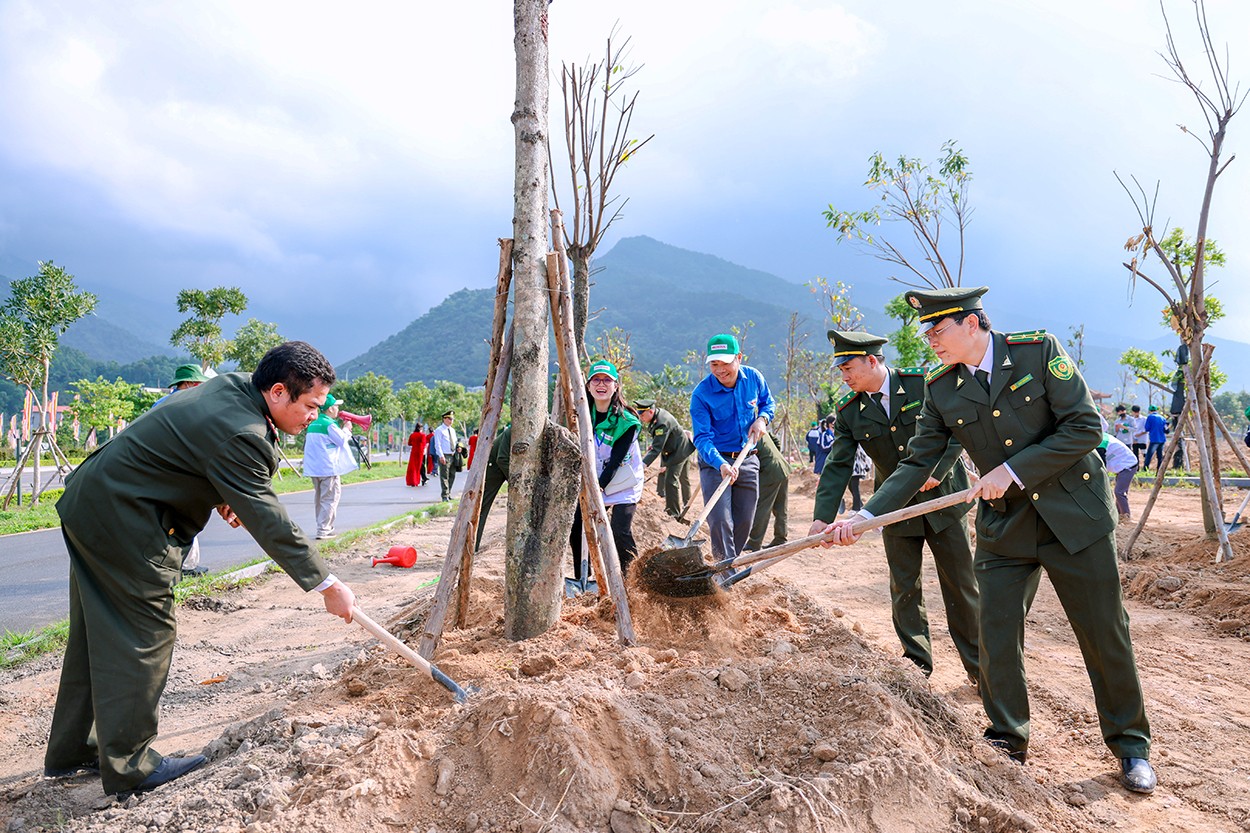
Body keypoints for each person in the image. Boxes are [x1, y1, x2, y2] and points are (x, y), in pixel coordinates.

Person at [822, 287, 1155, 795]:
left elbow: (1085, 427)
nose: (929, 340)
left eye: (938, 330)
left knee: (1103, 633)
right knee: (994, 632)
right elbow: (917, 461)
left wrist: (1013, 469)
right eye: (926, 332)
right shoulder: (942, 388)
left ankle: (1131, 745)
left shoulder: (1036, 352)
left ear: (972, 323)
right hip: (1005, 526)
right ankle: (1007, 738)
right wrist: (867, 513)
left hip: (1075, 518)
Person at [45, 341, 356, 798]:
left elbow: (191, 452)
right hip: (124, 520)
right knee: (144, 635)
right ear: (276, 392)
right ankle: (130, 765)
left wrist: (219, 490)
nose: (314, 415)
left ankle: (75, 748)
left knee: (96, 632)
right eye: (310, 405)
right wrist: (326, 583)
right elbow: (270, 520)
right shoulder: (244, 433)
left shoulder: (230, 388)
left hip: (95, 503)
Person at [812, 330, 980, 685]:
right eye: (840, 370)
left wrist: (936, 470)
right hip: (892, 508)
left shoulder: (923, 384)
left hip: (942, 501)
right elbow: (838, 465)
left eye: (848, 368)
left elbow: (958, 430)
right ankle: (917, 667)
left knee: (960, 586)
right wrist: (821, 518)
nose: (844, 377)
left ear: (872, 361)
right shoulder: (849, 411)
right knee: (904, 586)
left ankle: (981, 669)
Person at [689, 333, 775, 566]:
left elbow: (768, 402)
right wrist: (721, 464)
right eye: (714, 364)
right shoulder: (701, 394)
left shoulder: (754, 378)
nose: (720, 370)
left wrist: (763, 419)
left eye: (725, 363)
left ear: (739, 357)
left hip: (747, 458)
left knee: (745, 520)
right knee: (720, 521)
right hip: (715, 462)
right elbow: (703, 438)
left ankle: (729, 564)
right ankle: (725, 574)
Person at [569, 360, 644, 584]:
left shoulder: (627, 421)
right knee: (577, 527)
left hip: (622, 481)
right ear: (589, 385)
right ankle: (584, 577)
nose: (601, 384)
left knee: (619, 531)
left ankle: (632, 578)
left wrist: (596, 487)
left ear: (615, 386)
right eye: (596, 379)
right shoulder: (581, 416)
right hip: (594, 479)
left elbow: (614, 464)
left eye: (607, 380)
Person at [151, 363, 215, 577]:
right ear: (187, 384)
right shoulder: (188, 404)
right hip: (180, 470)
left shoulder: (159, 404)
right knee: (187, 517)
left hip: (158, 469)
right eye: (197, 384)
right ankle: (186, 566)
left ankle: (167, 564)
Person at [302, 393, 358, 540]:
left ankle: (322, 526)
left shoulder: (313, 423)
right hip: (328, 468)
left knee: (320, 498)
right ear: (330, 408)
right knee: (330, 498)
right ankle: (324, 529)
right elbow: (342, 440)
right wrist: (347, 428)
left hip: (315, 469)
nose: (338, 408)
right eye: (336, 406)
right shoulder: (329, 424)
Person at [635, 398, 696, 518]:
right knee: (683, 478)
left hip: (678, 452)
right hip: (680, 447)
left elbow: (657, 449)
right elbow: (662, 439)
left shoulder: (661, 423)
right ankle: (686, 506)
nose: (640, 417)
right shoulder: (658, 414)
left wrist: (642, 465)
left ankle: (673, 513)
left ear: (651, 412)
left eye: (642, 414)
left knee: (670, 481)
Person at [745, 431, 789, 551]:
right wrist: (774, 455)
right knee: (780, 507)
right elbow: (776, 441)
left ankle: (754, 542)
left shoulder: (745, 434)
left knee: (762, 507)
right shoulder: (760, 429)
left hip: (770, 471)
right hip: (782, 465)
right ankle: (780, 538)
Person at [475, 425, 512, 550]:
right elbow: (501, 459)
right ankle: (471, 545)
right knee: (481, 508)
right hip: (493, 467)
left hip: (502, 466)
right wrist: (515, 480)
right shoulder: (512, 431)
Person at [1102, 432, 1139, 519]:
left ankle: (1126, 515)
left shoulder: (1101, 442)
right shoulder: (1102, 437)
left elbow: (1101, 465)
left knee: (1119, 492)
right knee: (1120, 491)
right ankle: (1119, 514)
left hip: (1128, 465)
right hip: (1122, 465)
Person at [432, 410, 459, 501]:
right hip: (445, 455)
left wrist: (458, 448)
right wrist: (441, 456)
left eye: (452, 419)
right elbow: (438, 444)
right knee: (444, 476)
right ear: (444, 419)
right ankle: (444, 495)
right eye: (449, 419)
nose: (451, 421)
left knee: (452, 475)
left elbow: (454, 442)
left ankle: (448, 493)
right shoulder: (439, 430)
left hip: (453, 455)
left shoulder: (453, 430)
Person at [1143, 404, 1168, 471]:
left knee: (1149, 455)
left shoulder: (1150, 417)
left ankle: (1145, 469)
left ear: (1149, 411)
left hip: (1154, 439)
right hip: (1162, 439)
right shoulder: (1162, 418)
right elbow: (1166, 429)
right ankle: (1159, 469)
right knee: (1160, 456)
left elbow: (1147, 428)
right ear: (1156, 410)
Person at [849, 445, 871, 512]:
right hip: (850, 469)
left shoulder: (858, 445)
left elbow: (864, 455)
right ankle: (860, 504)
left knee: (854, 488)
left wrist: (867, 466)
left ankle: (856, 508)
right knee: (851, 487)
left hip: (856, 469)